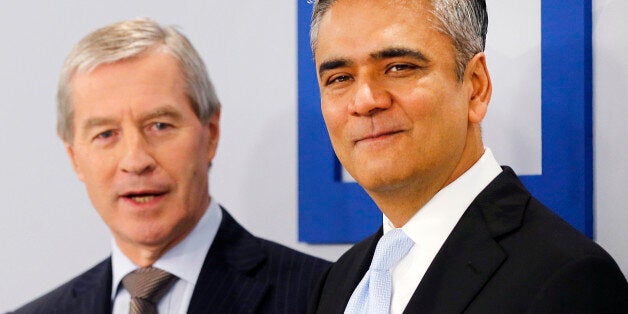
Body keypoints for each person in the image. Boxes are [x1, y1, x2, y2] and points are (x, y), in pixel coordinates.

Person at [306, 0, 628, 313]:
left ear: (475, 87)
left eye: (399, 67)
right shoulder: (340, 282)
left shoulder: (569, 281)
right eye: (340, 78)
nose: (365, 101)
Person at [13, 17, 329, 314]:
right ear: (73, 157)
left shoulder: (324, 296)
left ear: (211, 133)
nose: (136, 161)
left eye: (160, 126)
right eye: (106, 134)